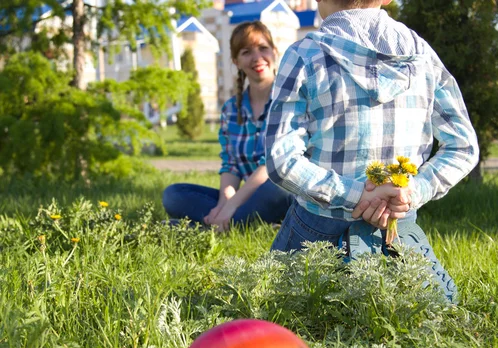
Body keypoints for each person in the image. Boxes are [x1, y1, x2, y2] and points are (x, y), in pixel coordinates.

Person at [264, 0, 479, 302]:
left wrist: (357, 195)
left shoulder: (303, 56)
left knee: (281, 318)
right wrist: (409, 192)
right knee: (433, 313)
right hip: (397, 233)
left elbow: (280, 159)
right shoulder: (423, 57)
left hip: (314, 235)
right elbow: (464, 146)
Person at [163, 21, 294, 232]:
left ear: (274, 52)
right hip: (247, 199)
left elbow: (273, 165)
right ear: (236, 61)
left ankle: (207, 228)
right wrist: (226, 198)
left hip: (279, 193)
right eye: (246, 52)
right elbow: (231, 164)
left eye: (263, 48)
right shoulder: (231, 109)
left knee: (279, 188)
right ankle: (243, 224)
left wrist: (232, 205)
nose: (257, 57)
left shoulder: (288, 99)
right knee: (173, 195)